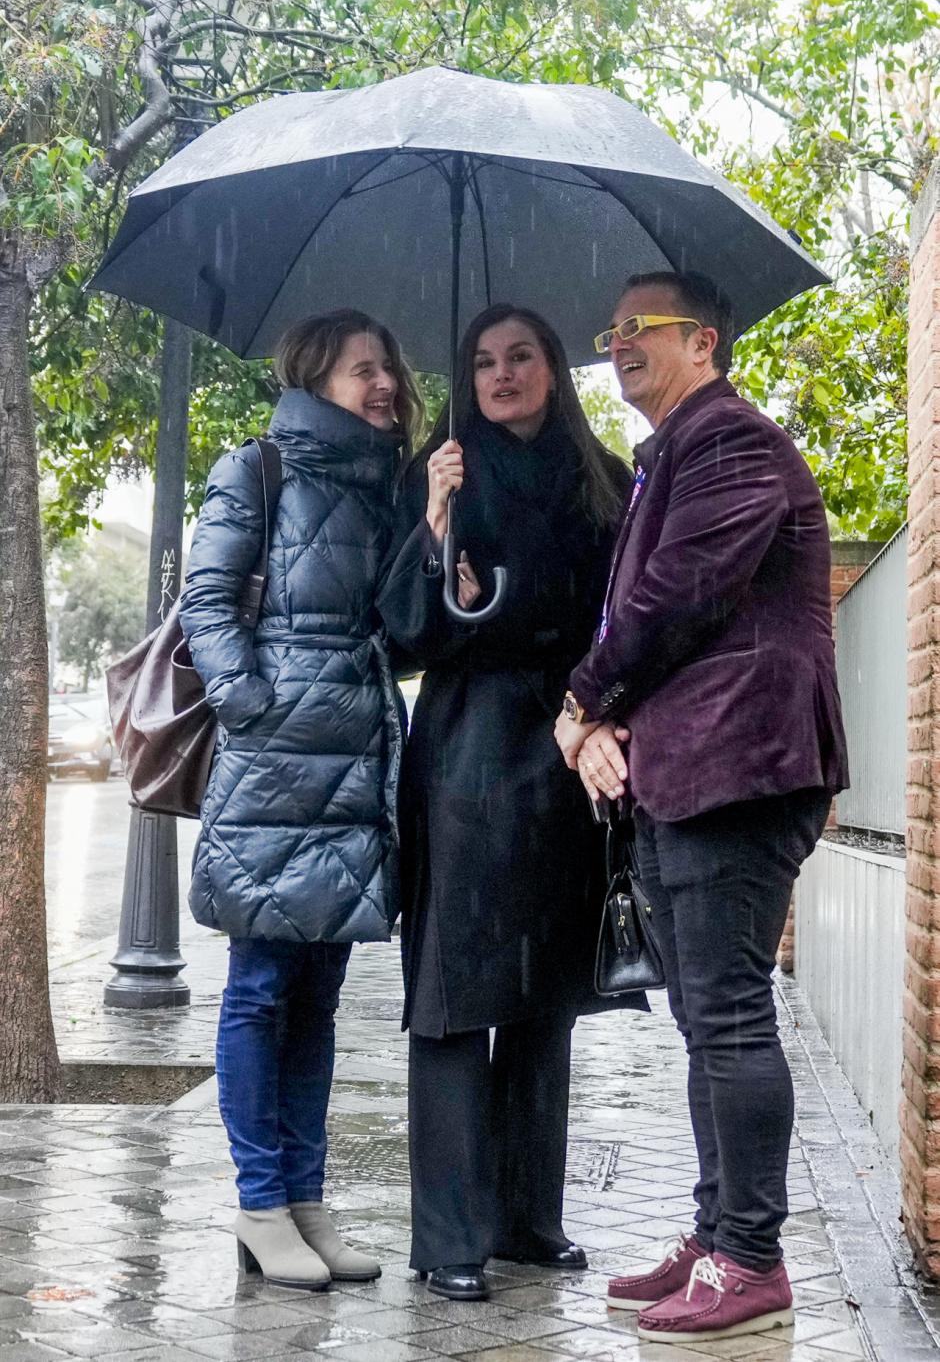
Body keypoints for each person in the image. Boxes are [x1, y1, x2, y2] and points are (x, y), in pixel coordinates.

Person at [554, 271, 849, 1345]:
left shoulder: (727, 443)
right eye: (612, 326)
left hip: (743, 765)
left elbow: (668, 600)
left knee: (726, 1013)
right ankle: (717, 1232)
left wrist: (581, 702)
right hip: (694, 767)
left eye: (644, 327)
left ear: (705, 342)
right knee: (701, 1018)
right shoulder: (672, 452)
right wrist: (596, 718)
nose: (620, 341)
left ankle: (749, 1260)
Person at [379, 302, 643, 1304]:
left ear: (551, 369)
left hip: (568, 753)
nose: (499, 374)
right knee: (451, 997)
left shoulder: (604, 482)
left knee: (545, 997)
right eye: (482, 360)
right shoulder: (441, 471)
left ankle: (528, 1216)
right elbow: (404, 635)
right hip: (462, 754)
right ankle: (450, 1233)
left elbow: (630, 620)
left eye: (520, 355)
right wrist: (434, 522)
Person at [179, 309, 423, 1291]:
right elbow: (206, 601)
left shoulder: (390, 490)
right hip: (278, 767)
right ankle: (259, 1201)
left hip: (355, 766)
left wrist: (435, 522)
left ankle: (307, 1199)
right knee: (261, 988)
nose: (385, 387)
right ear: (313, 375)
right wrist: (253, 703)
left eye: (391, 371)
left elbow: (403, 631)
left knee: (320, 997)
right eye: (367, 370)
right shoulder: (257, 469)